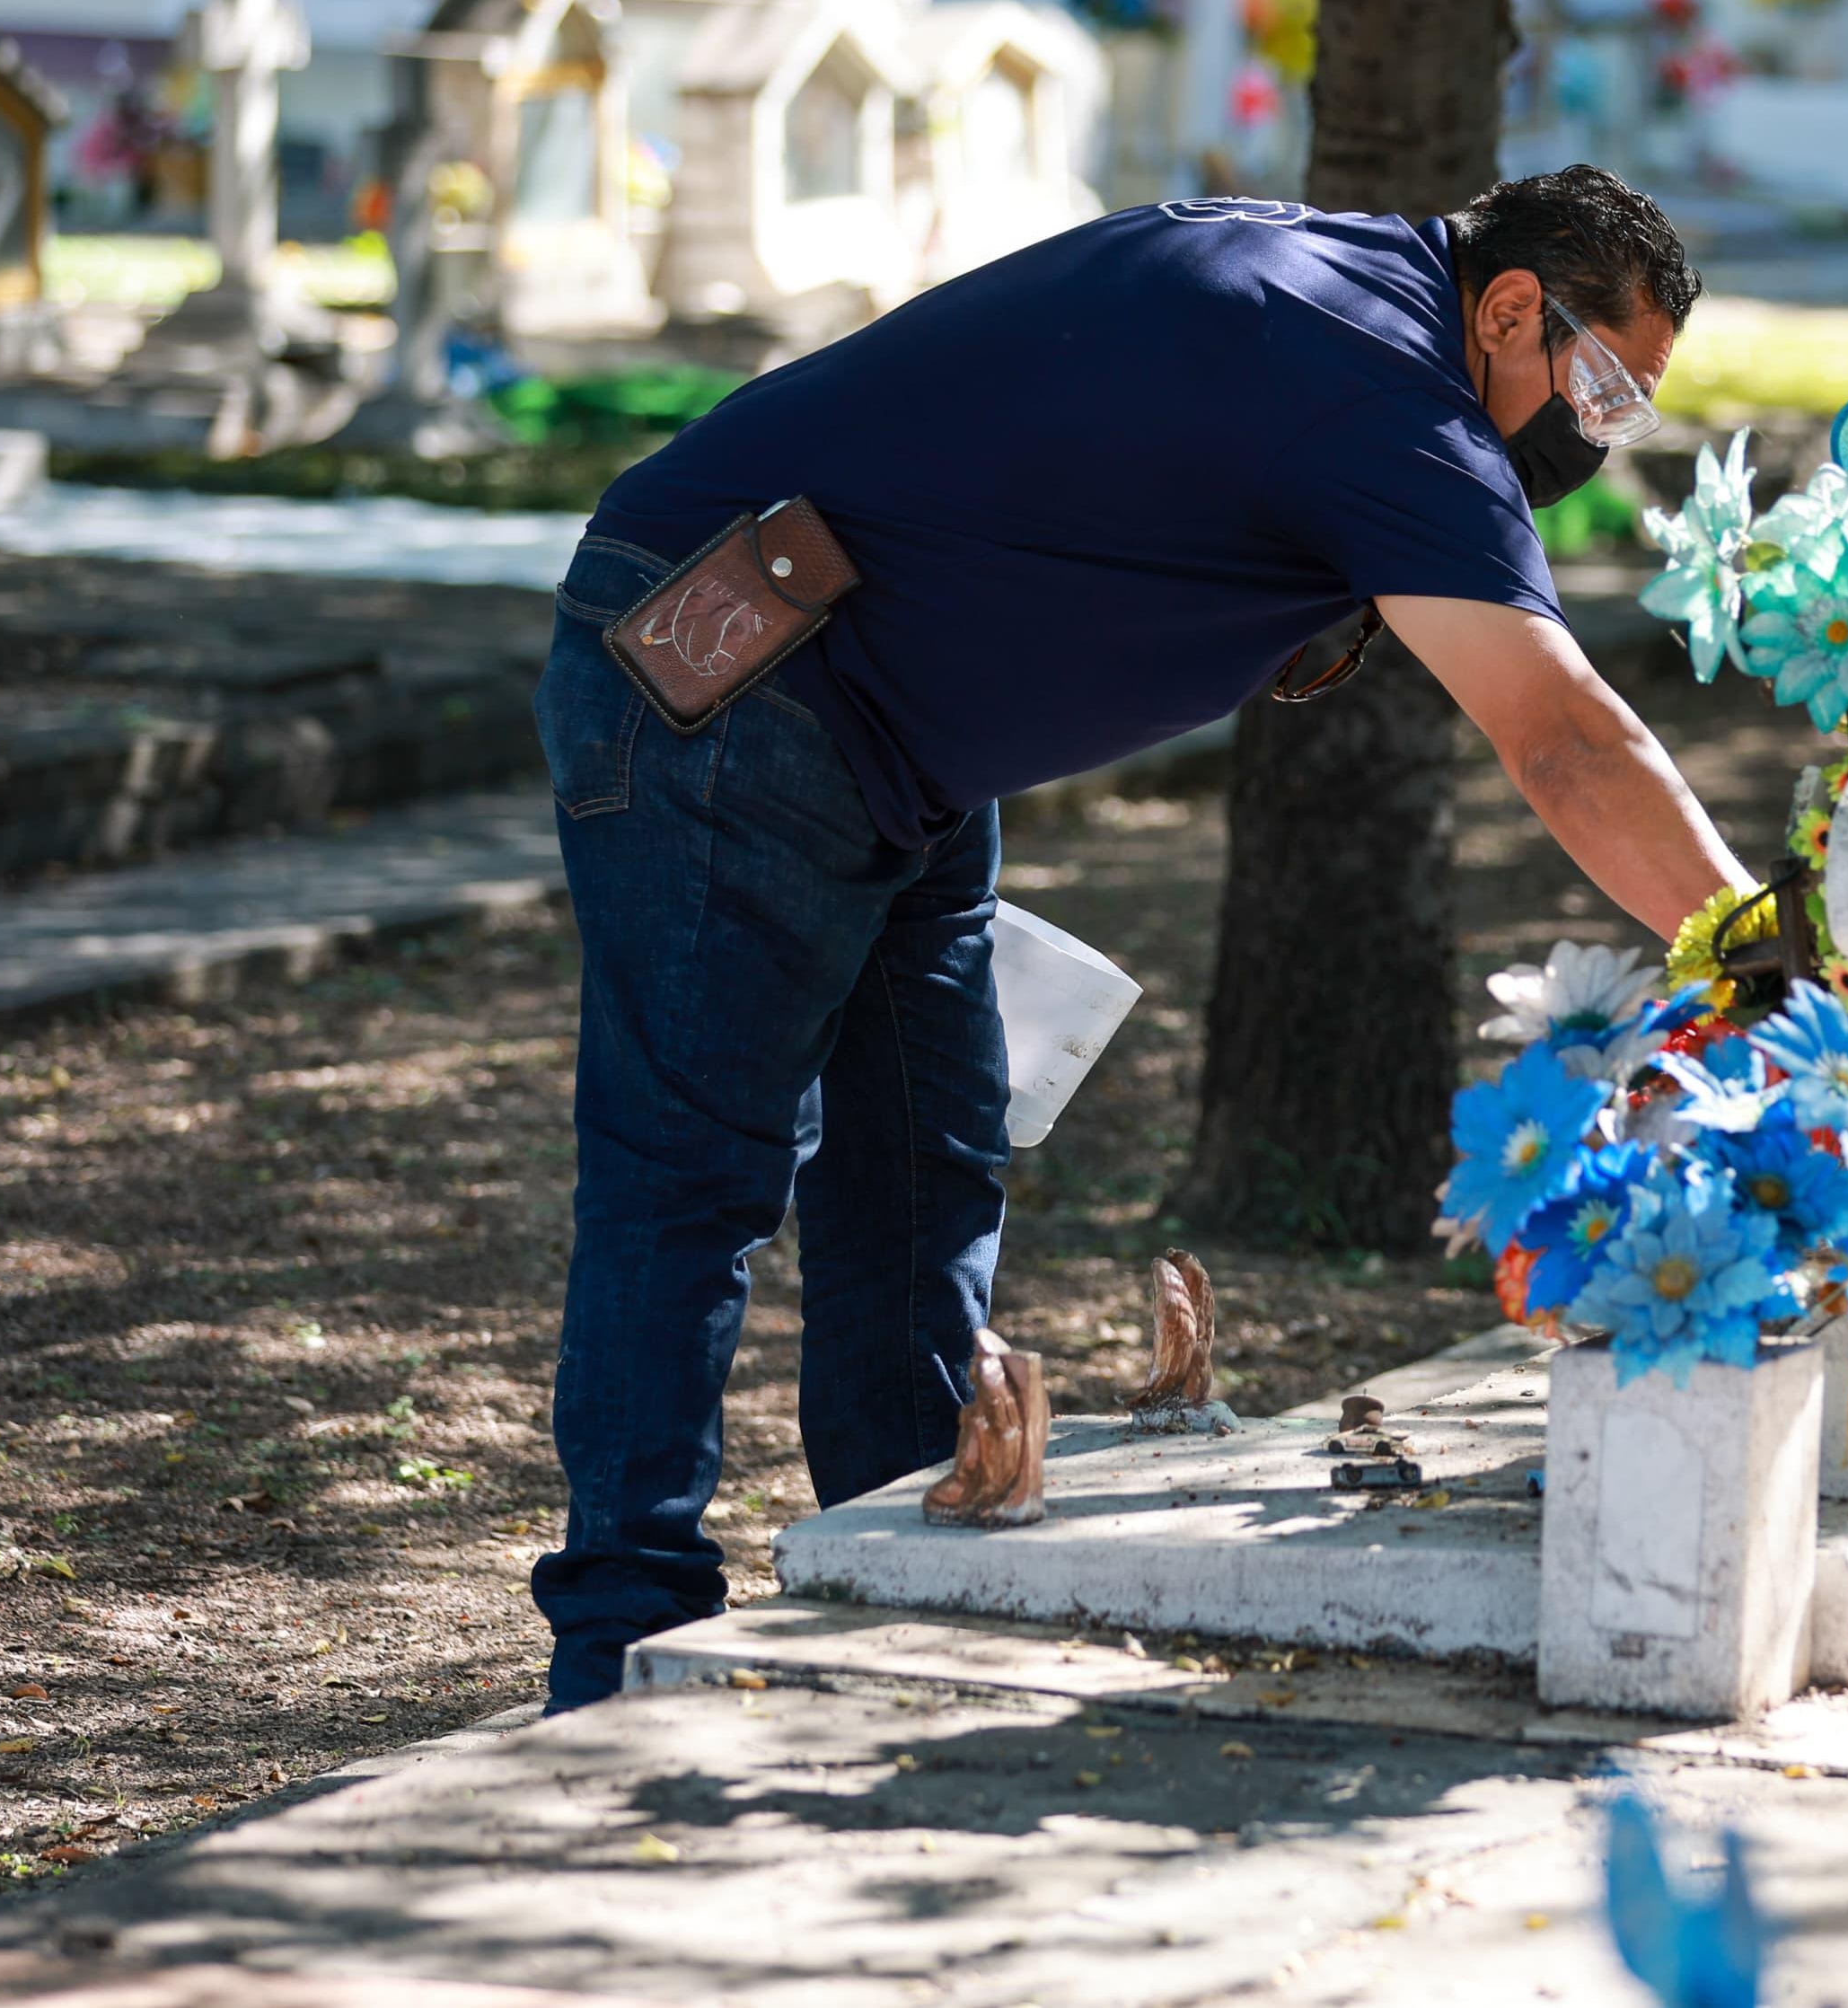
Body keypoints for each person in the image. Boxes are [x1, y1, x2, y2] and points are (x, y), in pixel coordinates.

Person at [527, 165, 1753, 1709]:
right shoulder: (1382, 381)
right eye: (1600, 390)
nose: (1591, 437)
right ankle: (616, 1652)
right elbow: (1562, 742)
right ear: (1510, 307)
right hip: (737, 670)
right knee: (692, 1174)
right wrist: (1752, 946)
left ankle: (894, 1567)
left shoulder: (1338, 289)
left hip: (894, 725)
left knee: (926, 1161)